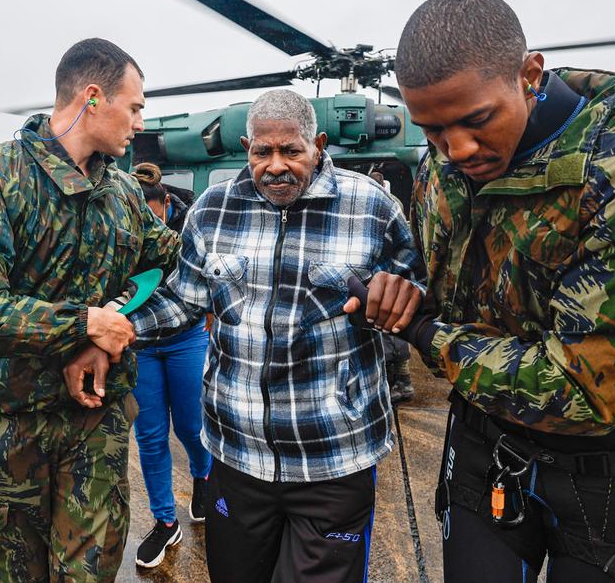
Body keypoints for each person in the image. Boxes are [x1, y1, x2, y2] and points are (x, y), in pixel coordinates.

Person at [384, 0, 615, 582]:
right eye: (432, 129)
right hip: (481, 452)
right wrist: (398, 292)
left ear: (529, 74)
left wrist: (427, 335)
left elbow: (589, 391)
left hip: (603, 474)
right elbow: (439, 281)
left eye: (477, 120)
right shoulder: (444, 169)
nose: (456, 149)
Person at [122, 89, 425, 582]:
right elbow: (184, 298)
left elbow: (413, 289)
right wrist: (111, 330)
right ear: (247, 147)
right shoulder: (212, 210)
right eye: (262, 152)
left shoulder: (372, 207)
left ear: (319, 144)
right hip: (237, 453)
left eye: (292, 151)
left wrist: (397, 303)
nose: (276, 166)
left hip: (335, 455)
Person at [0, 38, 180, 582]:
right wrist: (84, 324)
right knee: (19, 570)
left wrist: (103, 330)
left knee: (92, 572)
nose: (140, 122)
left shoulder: (124, 193)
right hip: (11, 422)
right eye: (134, 107)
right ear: (92, 97)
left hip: (96, 421)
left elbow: (161, 264)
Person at [127, 163, 213, 568]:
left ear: (165, 205)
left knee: (192, 425)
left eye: (151, 213)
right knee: (150, 435)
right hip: (139, 346)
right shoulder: (116, 228)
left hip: (186, 338)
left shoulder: (189, 230)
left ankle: (204, 477)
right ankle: (164, 521)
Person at [367, 169, 416, 406]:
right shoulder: (393, 200)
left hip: (385, 274)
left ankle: (401, 383)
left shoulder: (384, 203)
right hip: (387, 274)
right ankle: (399, 381)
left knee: (390, 330)